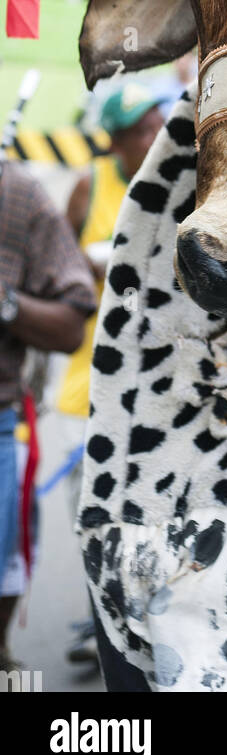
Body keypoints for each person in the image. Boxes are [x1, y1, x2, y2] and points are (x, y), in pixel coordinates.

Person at [58, 83, 163, 667]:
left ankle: (143, 621)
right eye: (143, 130)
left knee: (149, 509)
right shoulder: (90, 184)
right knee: (91, 510)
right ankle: (98, 618)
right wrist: (94, 257)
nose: (155, 139)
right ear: (117, 140)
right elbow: (57, 268)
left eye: (159, 125)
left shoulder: (180, 179)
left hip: (158, 382)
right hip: (90, 378)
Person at [0, 160, 96, 677]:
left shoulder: (16, 194)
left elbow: (69, 325)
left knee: (4, 571)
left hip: (1, 424)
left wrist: (7, 303)